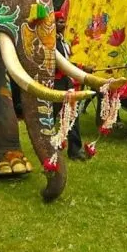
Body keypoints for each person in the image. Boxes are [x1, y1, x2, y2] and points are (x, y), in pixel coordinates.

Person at [52, 11, 85, 160]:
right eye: (59, 22)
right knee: (51, 116)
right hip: (55, 82)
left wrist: (80, 68)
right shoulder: (49, 41)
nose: (63, 25)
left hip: (67, 81)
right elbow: (60, 64)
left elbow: (66, 62)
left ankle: (75, 150)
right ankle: (49, 146)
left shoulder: (63, 41)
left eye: (63, 22)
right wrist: (81, 68)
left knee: (73, 114)